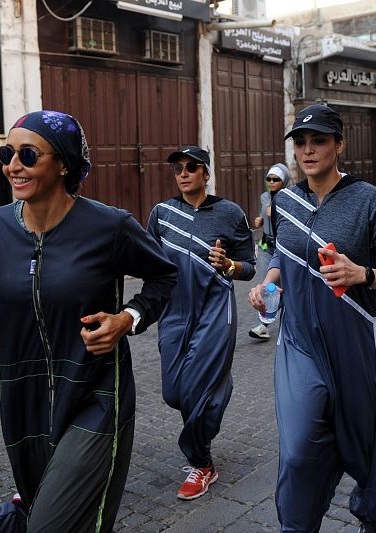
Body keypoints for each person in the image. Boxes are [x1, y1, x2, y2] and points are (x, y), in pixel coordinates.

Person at [0, 110, 178, 532]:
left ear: (63, 162)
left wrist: (128, 318)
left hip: (96, 394)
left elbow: (165, 274)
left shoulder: (109, 226)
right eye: (6, 154)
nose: (13, 165)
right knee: (51, 516)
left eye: (28, 154)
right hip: (23, 403)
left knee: (49, 524)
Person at [248, 104, 376, 533]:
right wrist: (269, 283)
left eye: (319, 141)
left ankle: (370, 515)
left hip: (357, 346)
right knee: (299, 449)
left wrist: (361, 274)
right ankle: (299, 524)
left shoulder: (371, 202)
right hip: (299, 343)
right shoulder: (281, 201)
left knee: (367, 448)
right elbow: (278, 253)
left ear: (339, 145)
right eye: (301, 142)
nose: (308, 150)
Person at [147, 146, 256, 500]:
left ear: (206, 173)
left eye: (191, 167)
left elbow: (249, 266)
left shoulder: (230, 213)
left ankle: (201, 463)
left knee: (198, 388)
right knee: (174, 392)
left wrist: (228, 265)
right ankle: (216, 388)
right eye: (178, 168)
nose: (183, 173)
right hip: (174, 310)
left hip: (215, 309)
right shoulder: (161, 214)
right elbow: (147, 262)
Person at [249, 164, 291, 340]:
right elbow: (262, 216)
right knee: (267, 285)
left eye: (276, 179)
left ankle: (291, 320)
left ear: (284, 181)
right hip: (267, 246)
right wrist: (259, 221)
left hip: (285, 247)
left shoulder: (291, 197)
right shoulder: (264, 197)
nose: (272, 182)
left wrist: (274, 212)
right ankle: (263, 325)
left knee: (288, 286)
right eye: (269, 179)